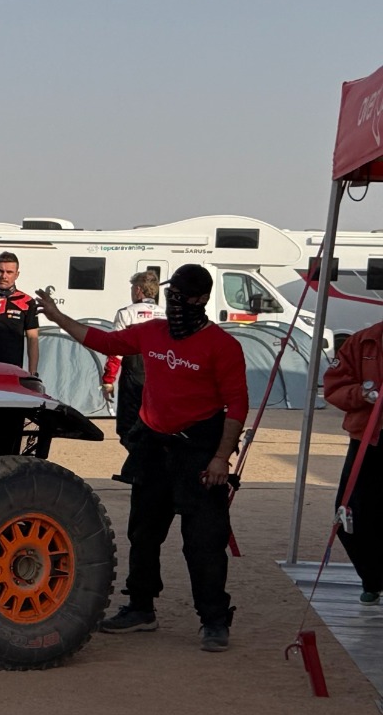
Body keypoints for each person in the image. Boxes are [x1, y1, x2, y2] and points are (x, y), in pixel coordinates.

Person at [36, 263, 248, 652]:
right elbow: (103, 341)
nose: (174, 302)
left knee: (203, 540)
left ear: (201, 299)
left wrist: (221, 458)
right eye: (172, 294)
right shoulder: (151, 332)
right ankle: (140, 607)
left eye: (182, 295)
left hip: (199, 451)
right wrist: (57, 317)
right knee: (143, 533)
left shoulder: (223, 345)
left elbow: (237, 406)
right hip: (153, 446)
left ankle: (214, 620)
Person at [323, 319, 383, 605]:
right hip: (368, 439)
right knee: (348, 513)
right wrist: (364, 394)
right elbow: (334, 385)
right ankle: (372, 578)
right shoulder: (363, 340)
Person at [104, 271, 163, 482]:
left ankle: (141, 469)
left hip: (134, 374)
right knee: (153, 425)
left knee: (126, 428)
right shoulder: (167, 314)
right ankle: (141, 469)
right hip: (160, 377)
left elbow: (115, 350)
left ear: (137, 290)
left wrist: (108, 380)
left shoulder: (126, 313)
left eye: (132, 288)